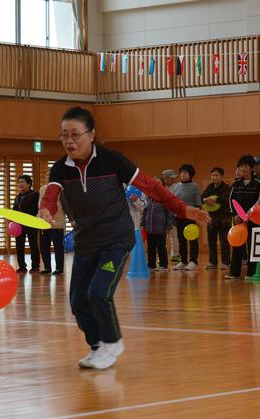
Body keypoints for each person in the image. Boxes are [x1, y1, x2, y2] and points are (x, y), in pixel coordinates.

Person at [38, 106, 209, 370]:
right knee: (77, 302)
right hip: (86, 242)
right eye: (64, 135)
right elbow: (51, 193)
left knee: (98, 293)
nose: (69, 141)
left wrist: (182, 208)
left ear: (91, 134)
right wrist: (46, 208)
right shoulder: (61, 168)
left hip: (115, 240)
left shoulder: (112, 160)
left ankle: (113, 341)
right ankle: (98, 347)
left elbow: (151, 187)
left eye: (75, 134)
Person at [225, 155, 260, 280]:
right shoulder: (235, 184)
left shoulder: (258, 184)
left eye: (246, 166)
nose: (243, 169)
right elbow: (231, 201)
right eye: (241, 166)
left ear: (252, 168)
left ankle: (251, 273)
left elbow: (259, 201)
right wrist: (235, 215)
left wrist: (248, 216)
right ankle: (234, 273)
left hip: (253, 221)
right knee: (236, 246)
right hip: (238, 221)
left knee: (252, 246)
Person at [172, 164, 202, 271]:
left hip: (191, 217)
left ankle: (193, 261)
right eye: (182, 172)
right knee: (181, 239)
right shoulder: (176, 186)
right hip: (179, 216)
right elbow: (173, 201)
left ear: (191, 174)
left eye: (186, 172)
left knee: (192, 239)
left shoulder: (194, 186)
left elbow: (198, 202)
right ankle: (183, 261)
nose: (183, 174)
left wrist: (197, 216)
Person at [201, 167, 231, 270]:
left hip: (224, 219)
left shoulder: (226, 188)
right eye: (213, 175)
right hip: (212, 219)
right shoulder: (209, 187)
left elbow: (226, 200)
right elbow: (202, 197)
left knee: (224, 242)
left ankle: (226, 262)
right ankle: (212, 262)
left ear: (221, 177)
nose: (214, 177)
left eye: (217, 175)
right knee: (211, 241)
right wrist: (206, 199)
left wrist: (215, 199)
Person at [141, 176, 173, 271]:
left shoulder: (165, 197)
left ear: (162, 185)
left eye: (159, 183)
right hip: (149, 228)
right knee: (150, 248)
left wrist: (168, 226)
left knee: (161, 247)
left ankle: (163, 265)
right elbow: (145, 211)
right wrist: (143, 223)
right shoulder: (148, 196)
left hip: (160, 228)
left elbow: (170, 214)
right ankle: (151, 265)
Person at [39, 172, 66, 275]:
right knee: (44, 246)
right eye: (47, 175)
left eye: (51, 175)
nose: (48, 177)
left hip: (57, 222)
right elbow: (40, 204)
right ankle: (47, 268)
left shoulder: (62, 189)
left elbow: (66, 205)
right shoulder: (42, 189)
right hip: (44, 222)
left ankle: (59, 268)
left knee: (58, 247)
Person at [12, 175, 40, 273]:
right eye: (19, 182)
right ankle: (22, 266)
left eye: (23, 182)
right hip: (19, 225)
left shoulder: (35, 195)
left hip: (31, 223)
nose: (20, 184)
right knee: (19, 245)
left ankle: (35, 266)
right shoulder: (17, 197)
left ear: (29, 184)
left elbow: (38, 209)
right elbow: (14, 210)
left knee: (33, 245)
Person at [162, 169, 181, 263]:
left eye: (173, 178)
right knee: (161, 237)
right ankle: (162, 256)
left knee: (174, 236)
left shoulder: (177, 186)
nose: (173, 179)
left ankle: (175, 254)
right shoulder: (160, 187)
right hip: (162, 215)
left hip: (173, 215)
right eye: (171, 178)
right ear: (165, 178)